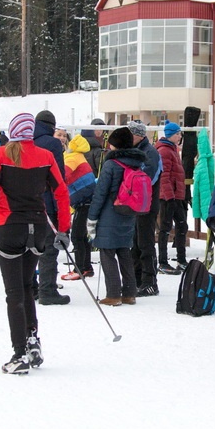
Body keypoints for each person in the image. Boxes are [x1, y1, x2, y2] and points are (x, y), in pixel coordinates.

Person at [0, 113, 71, 374]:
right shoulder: (46, 155)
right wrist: (63, 228)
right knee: (28, 286)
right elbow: (61, 191)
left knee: (14, 292)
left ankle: (20, 352)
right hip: (38, 227)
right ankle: (33, 342)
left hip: (10, 226)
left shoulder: (0, 154)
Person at [88, 127, 144, 306]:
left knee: (107, 252)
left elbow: (100, 193)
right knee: (124, 251)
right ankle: (129, 293)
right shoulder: (136, 163)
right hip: (128, 213)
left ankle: (113, 294)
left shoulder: (111, 164)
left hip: (109, 214)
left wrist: (92, 218)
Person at [33, 110, 69, 304]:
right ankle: (47, 290)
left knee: (29, 247)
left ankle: (30, 287)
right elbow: (58, 179)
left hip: (23, 203)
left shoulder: (20, 141)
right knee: (48, 249)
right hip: (46, 202)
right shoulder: (52, 144)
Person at [128, 120, 163, 296]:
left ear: (139, 136)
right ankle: (137, 278)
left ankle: (150, 281)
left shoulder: (150, 153)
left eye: (131, 134)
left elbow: (148, 178)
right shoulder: (135, 151)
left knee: (145, 243)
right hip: (135, 204)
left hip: (146, 205)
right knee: (135, 243)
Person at [155, 121, 188, 274]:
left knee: (182, 226)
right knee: (166, 228)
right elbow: (164, 176)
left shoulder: (173, 150)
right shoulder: (165, 151)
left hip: (176, 195)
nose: (180, 136)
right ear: (170, 135)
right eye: (177, 134)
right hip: (169, 197)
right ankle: (162, 261)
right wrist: (170, 196)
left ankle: (181, 259)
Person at [63, 133, 97, 279]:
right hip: (89, 200)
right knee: (83, 236)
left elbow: (63, 175)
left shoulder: (72, 158)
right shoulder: (81, 156)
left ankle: (79, 269)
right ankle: (86, 267)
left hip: (83, 201)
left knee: (77, 236)